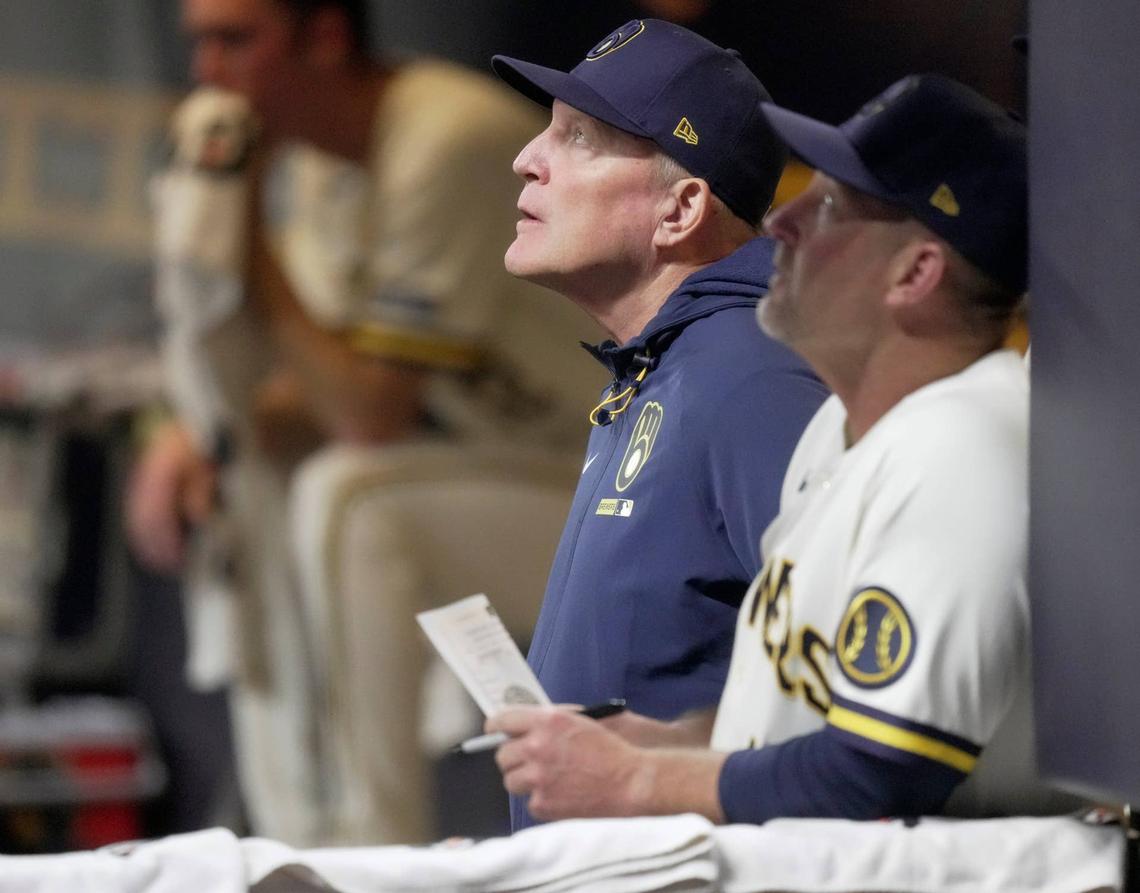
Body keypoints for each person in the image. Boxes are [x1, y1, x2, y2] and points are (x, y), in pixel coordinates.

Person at [488, 73, 1080, 825]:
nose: (783, 220)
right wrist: (673, 745)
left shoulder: (964, 446)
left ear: (915, 273)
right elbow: (799, 712)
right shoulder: (848, 435)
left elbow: (881, 771)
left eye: (830, 205)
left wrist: (641, 779)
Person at [127, 0, 603, 845]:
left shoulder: (446, 139)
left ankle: (373, 851)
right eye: (199, 43)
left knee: (353, 500)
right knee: (251, 474)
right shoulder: (323, 161)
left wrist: (246, 242)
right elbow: (306, 381)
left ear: (324, 36)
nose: (208, 73)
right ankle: (294, 828)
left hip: (614, 487)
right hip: (495, 468)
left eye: (235, 40)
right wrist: (192, 434)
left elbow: (366, 411)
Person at [489, 19, 829, 830]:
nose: (527, 158)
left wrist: (656, 771)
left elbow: (845, 698)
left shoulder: (752, 377)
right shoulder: (661, 366)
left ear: (680, 209)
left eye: (579, 138)